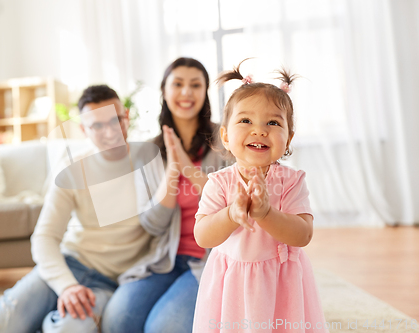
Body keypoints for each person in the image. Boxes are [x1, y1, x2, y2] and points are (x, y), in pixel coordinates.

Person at [0, 85, 153, 333]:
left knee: (69, 329)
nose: (109, 132)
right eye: (97, 125)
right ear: (83, 129)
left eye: (115, 120)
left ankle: (19, 310)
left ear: (126, 117)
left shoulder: (150, 163)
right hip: (69, 264)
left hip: (110, 282)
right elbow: (45, 237)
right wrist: (66, 286)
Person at [192, 59, 329, 332]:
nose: (259, 130)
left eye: (273, 123)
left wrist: (266, 213)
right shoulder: (219, 183)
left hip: (281, 284)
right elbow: (203, 236)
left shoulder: (292, 182)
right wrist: (231, 214)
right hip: (231, 285)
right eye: (245, 120)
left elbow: (303, 235)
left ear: (288, 138)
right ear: (226, 136)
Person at [101, 57, 231, 333]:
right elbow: (152, 224)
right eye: (178, 84)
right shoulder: (149, 151)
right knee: (117, 320)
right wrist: (173, 170)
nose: (186, 92)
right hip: (164, 258)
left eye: (195, 85)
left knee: (162, 328)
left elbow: (231, 206)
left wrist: (187, 166)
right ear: (164, 91)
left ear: (205, 92)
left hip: (209, 260)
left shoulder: (225, 142)